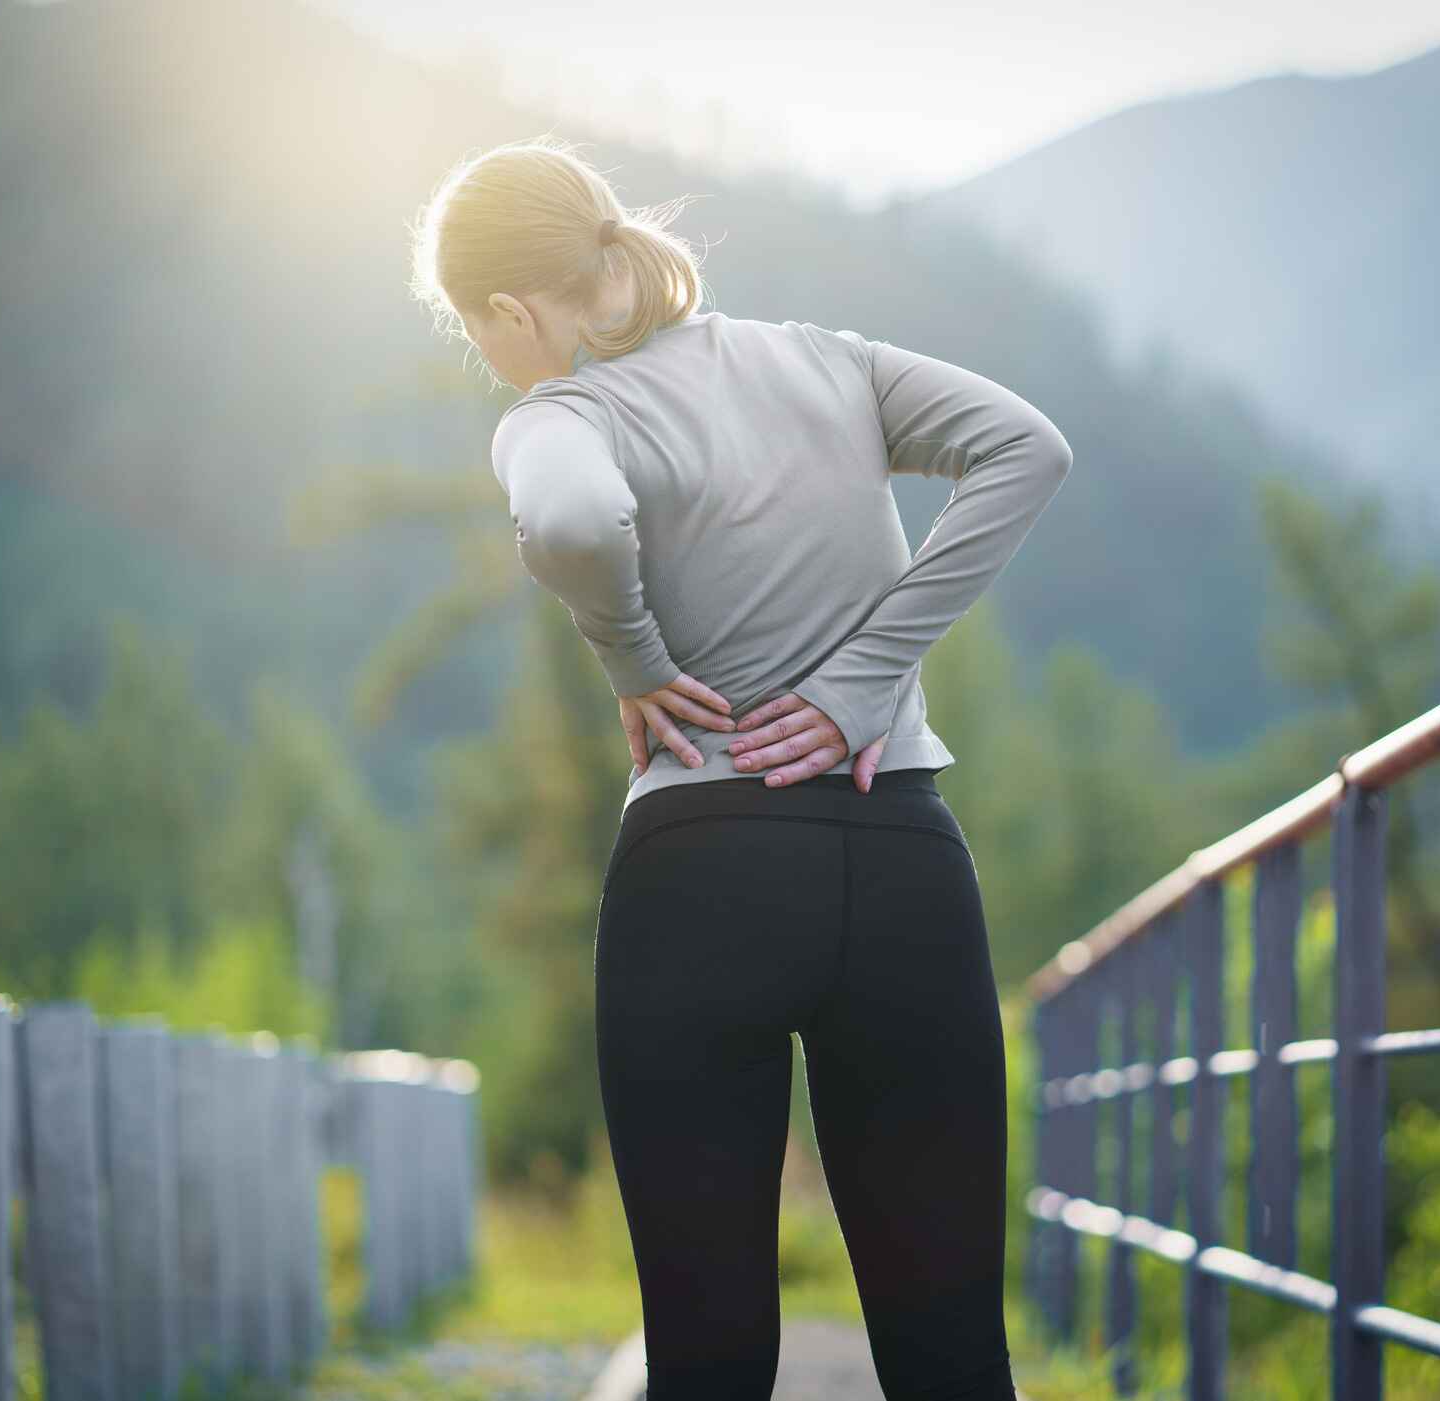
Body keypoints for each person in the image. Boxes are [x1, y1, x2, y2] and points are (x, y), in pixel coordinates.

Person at [409, 135, 1071, 1401]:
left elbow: (570, 519)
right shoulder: (826, 360)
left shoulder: (563, 411)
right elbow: (1028, 449)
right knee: (951, 1359)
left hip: (698, 876)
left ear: (507, 309)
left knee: (707, 1360)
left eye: (475, 332)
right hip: (900, 859)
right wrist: (868, 676)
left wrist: (633, 657)